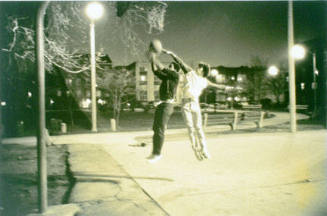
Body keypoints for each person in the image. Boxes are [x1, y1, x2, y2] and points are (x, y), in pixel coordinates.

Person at [163, 49, 226, 160]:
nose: (198, 67)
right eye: (198, 66)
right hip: (186, 104)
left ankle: (204, 149)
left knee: (199, 128)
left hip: (195, 104)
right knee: (190, 128)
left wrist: (228, 87)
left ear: (203, 70)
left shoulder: (205, 81)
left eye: (200, 66)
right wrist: (171, 54)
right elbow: (180, 62)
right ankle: (195, 149)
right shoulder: (190, 73)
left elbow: (216, 86)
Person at [147, 50, 180, 163]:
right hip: (162, 104)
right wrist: (152, 61)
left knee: (160, 129)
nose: (169, 67)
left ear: (175, 69)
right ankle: (154, 152)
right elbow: (156, 71)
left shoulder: (175, 76)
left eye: (171, 66)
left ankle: (157, 154)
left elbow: (162, 68)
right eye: (169, 66)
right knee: (156, 128)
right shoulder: (166, 78)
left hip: (168, 105)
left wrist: (154, 58)